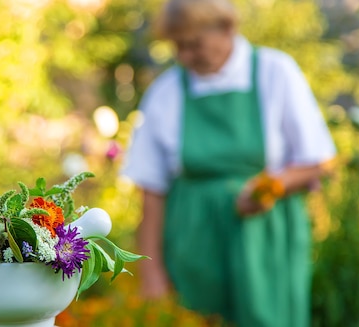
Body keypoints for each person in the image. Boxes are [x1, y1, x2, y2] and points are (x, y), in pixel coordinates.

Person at [121, 0, 336, 326]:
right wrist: (151, 274)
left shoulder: (274, 71)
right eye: (178, 46)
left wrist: (268, 188)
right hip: (193, 242)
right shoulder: (165, 91)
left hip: (265, 238)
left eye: (194, 44)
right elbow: (151, 191)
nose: (184, 56)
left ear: (227, 28)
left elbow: (318, 160)